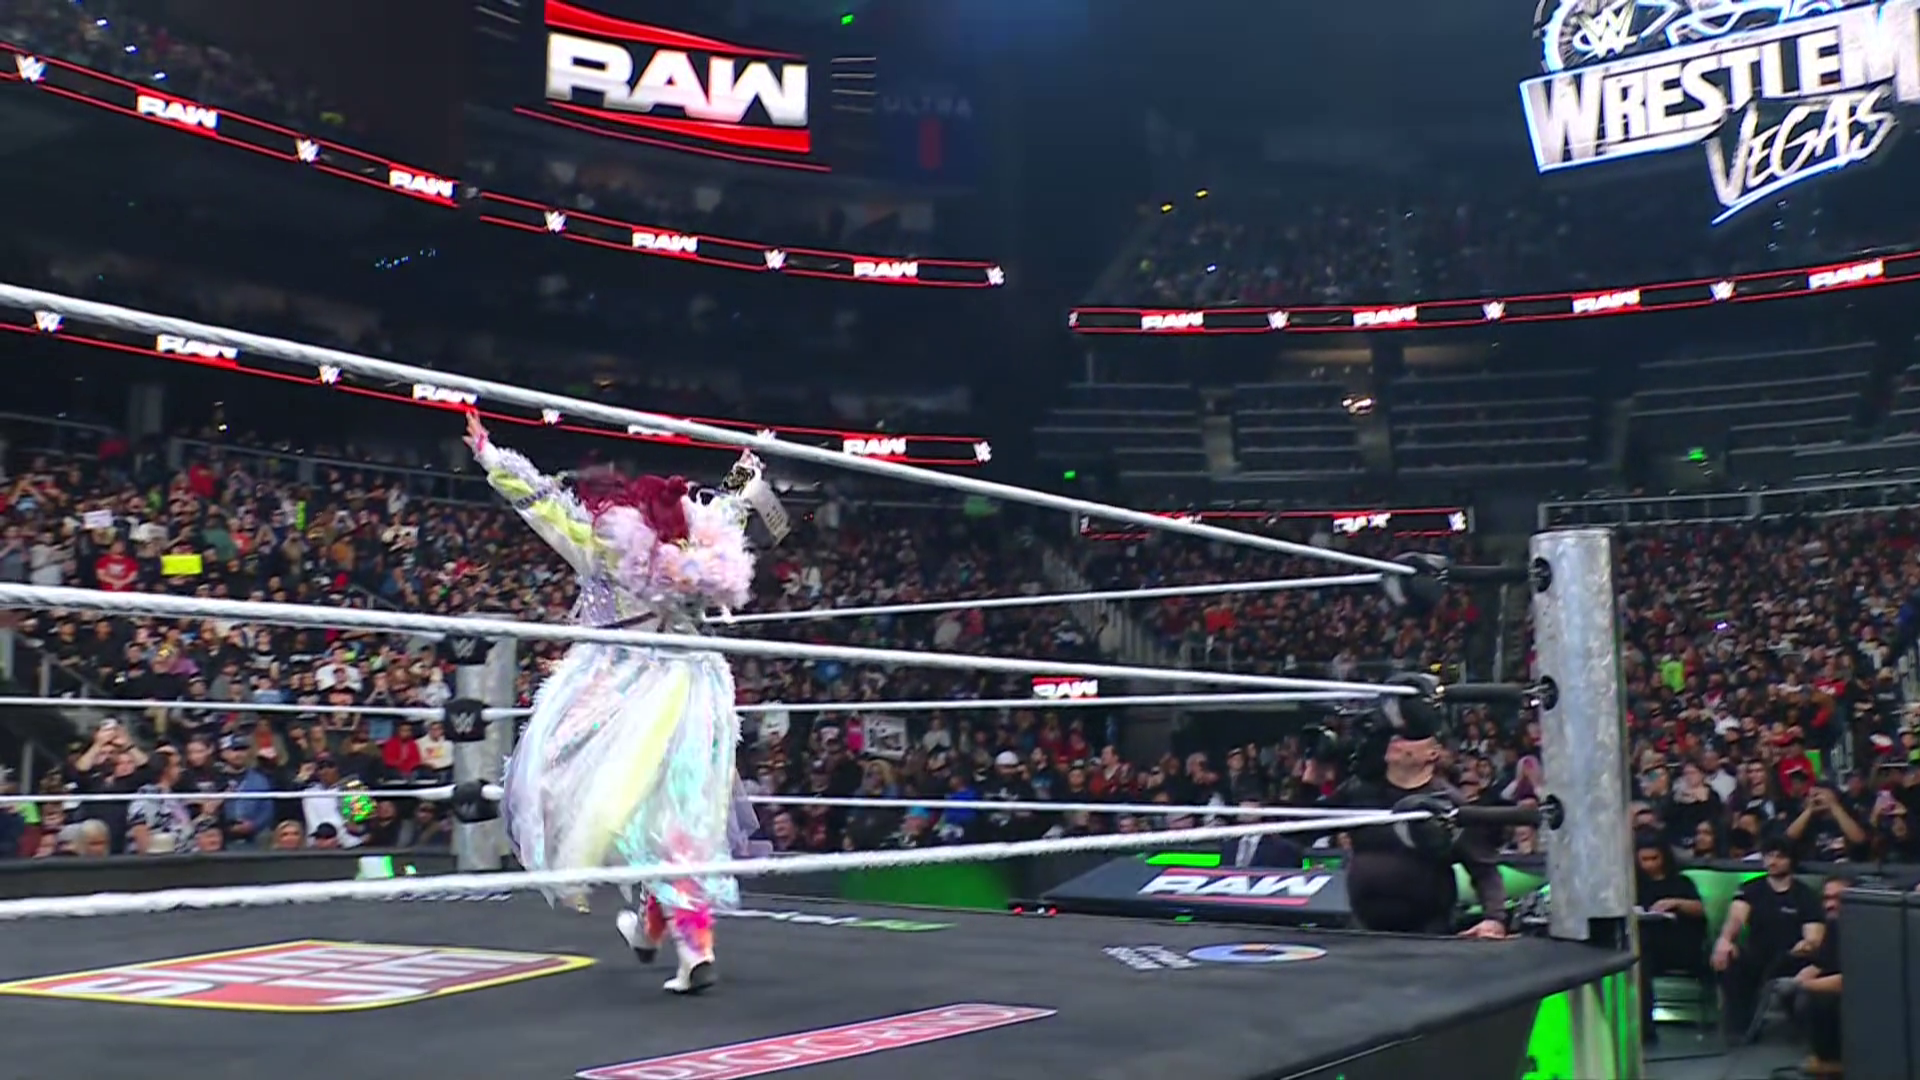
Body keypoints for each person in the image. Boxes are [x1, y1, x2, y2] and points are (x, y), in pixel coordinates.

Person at [468, 412, 773, 995]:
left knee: (611, 805)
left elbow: (544, 507)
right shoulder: (698, 549)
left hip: (626, 689)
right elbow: (730, 508)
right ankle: (660, 936)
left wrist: (489, 453)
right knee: (674, 817)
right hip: (697, 692)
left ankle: (692, 948)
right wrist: (746, 469)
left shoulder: (605, 545)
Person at [1326, 686, 1508, 938]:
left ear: (1433, 752)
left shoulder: (1448, 802)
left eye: (1408, 737)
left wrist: (1494, 919)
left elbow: (1484, 867)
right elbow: (1302, 828)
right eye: (1394, 735)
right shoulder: (1359, 790)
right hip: (1364, 929)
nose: (1396, 741)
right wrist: (1313, 776)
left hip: (1427, 932)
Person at [1710, 835, 1824, 1040]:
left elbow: (1814, 936)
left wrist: (1807, 944)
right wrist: (1725, 941)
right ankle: (1737, 1029)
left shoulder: (1805, 895)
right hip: (1757, 954)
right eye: (1769, 856)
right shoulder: (1751, 889)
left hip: (1791, 957)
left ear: (1791, 860)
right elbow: (1736, 918)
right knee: (1730, 958)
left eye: (1779, 857)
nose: (1772, 861)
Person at [1634, 832, 1706, 1044]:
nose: (1649, 864)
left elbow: (1701, 910)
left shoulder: (1681, 882)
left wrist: (1676, 903)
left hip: (1679, 944)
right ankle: (1642, 1025)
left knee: (1642, 951)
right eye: (1644, 859)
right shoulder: (1634, 885)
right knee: (1640, 953)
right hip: (1647, 944)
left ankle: (1645, 1027)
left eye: (1654, 858)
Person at [1789, 877, 1845, 1077]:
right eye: (1827, 898)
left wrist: (1807, 986)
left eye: (1838, 898)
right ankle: (1820, 1053)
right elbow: (1822, 964)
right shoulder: (1834, 925)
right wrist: (1799, 980)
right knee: (1790, 990)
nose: (1830, 904)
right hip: (1834, 981)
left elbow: (1852, 980)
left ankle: (1833, 1060)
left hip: (1860, 988)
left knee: (1815, 997)